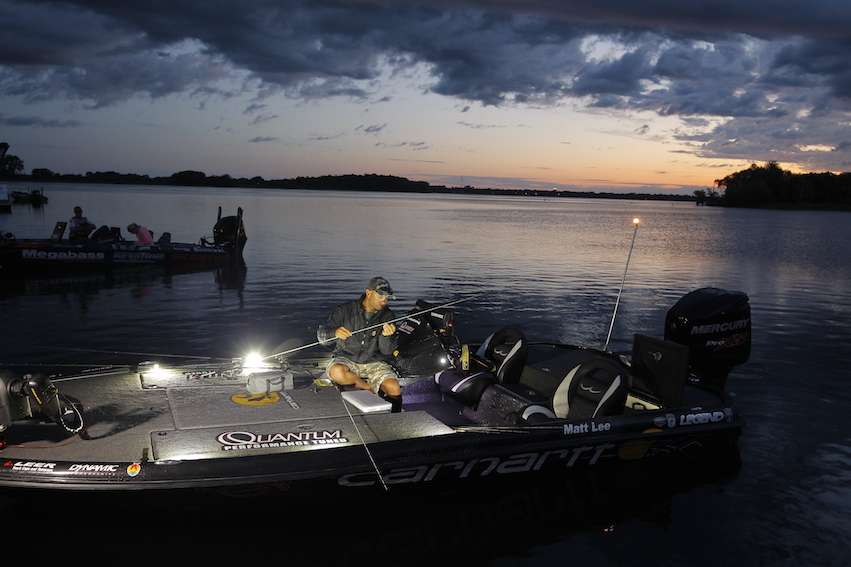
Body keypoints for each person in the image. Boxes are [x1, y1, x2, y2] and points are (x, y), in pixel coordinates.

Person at [317, 276, 403, 412]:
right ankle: (366, 387)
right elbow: (321, 336)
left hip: (375, 362)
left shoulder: (388, 316)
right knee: (337, 371)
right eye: (381, 295)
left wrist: (386, 336)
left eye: (387, 297)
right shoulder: (344, 310)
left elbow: (386, 351)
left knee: (394, 387)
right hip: (346, 358)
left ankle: (396, 417)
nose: (384, 300)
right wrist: (334, 332)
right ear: (368, 293)